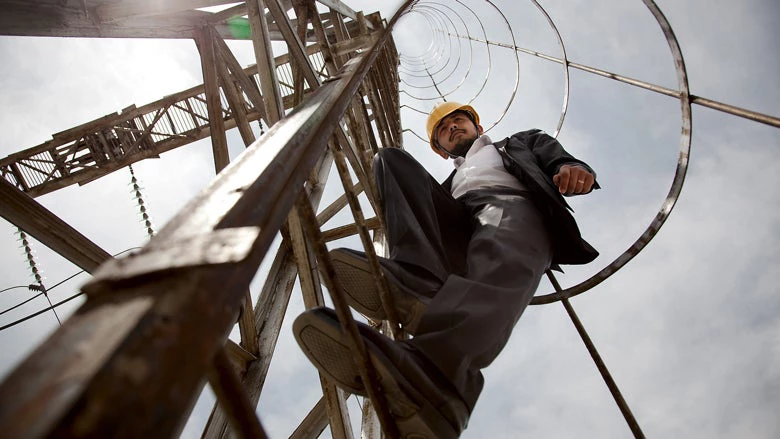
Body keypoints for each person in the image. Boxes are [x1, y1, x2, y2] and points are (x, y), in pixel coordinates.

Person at [293, 102, 599, 438]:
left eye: (458, 121)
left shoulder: (517, 143)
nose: (452, 127)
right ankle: (417, 281)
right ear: (440, 150)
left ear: (477, 127)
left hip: (510, 202)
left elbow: (555, 156)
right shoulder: (449, 182)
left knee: (500, 252)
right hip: (458, 220)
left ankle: (440, 375)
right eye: (443, 130)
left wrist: (572, 167)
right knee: (390, 160)